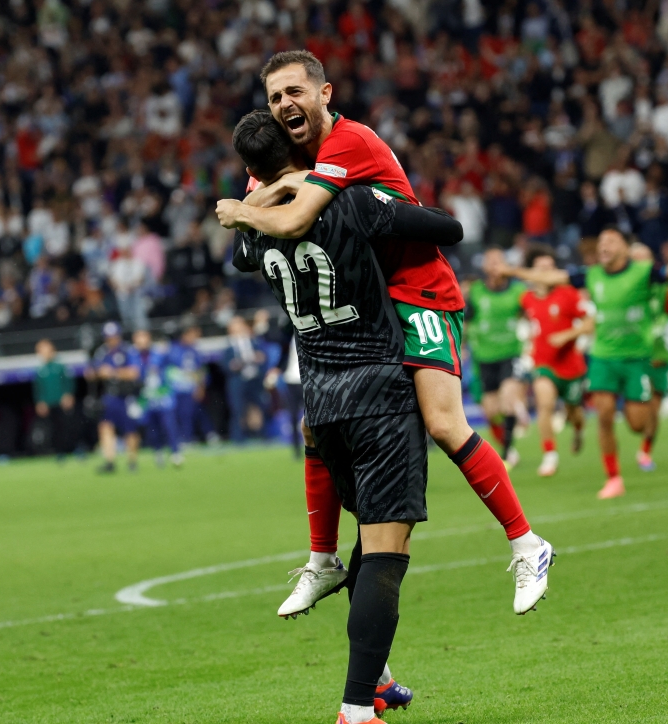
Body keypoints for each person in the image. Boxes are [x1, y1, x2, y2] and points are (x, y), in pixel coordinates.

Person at [216, 51, 553, 616]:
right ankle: (327, 569)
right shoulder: (280, 154)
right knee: (322, 436)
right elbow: (257, 221)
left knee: (444, 424)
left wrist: (246, 209)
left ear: (324, 94)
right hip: (361, 312)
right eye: (275, 97)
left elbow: (288, 220)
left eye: (295, 91)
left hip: (417, 292)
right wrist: (266, 196)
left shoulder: (350, 141)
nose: (285, 105)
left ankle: (527, 543)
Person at [229, 109, 463, 724]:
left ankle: (376, 680)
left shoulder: (253, 234)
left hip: (321, 404)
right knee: (387, 549)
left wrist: (258, 199)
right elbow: (447, 227)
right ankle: (357, 709)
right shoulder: (351, 204)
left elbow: (240, 257)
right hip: (379, 394)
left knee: (369, 541)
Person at [500, 226, 668, 499]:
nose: (604, 246)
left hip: (636, 359)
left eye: (611, 242)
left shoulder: (644, 272)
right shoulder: (591, 275)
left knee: (637, 423)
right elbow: (550, 276)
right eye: (601, 242)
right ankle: (613, 478)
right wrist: (512, 272)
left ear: (625, 248)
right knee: (603, 416)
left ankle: (643, 442)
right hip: (603, 357)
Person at [518, 245, 592, 476]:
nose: (547, 272)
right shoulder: (526, 299)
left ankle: (578, 430)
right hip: (543, 364)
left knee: (574, 414)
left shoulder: (568, 294)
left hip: (570, 366)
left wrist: (567, 335)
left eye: (551, 267)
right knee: (544, 404)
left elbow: (590, 323)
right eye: (542, 268)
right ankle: (550, 456)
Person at [465, 247, 526, 465]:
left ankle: (507, 453)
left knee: (508, 400)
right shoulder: (477, 292)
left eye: (499, 261)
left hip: (511, 353)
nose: (495, 266)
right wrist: (461, 346)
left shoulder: (518, 291)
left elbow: (530, 314)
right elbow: (467, 320)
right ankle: (506, 444)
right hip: (484, 356)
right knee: (491, 411)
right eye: (490, 261)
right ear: (484, 266)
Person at [629, 243, 668, 472]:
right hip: (631, 355)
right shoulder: (624, 288)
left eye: (646, 259)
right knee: (636, 418)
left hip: (659, 353)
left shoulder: (664, 288)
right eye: (636, 259)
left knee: (654, 407)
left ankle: (645, 451)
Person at [88, 322, 141, 473]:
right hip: (110, 395)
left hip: (127, 395)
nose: (111, 340)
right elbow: (93, 371)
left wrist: (113, 372)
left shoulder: (127, 350)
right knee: (105, 426)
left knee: (130, 429)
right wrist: (96, 373)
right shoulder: (102, 352)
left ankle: (132, 461)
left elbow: (134, 372)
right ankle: (110, 461)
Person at [128, 329, 182, 468]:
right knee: (152, 427)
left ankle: (175, 452)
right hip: (147, 397)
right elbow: (135, 374)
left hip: (162, 394)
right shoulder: (133, 355)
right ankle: (158, 452)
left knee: (169, 424)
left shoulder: (159, 352)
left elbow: (172, 363)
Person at [167, 321, 217, 446]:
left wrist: (201, 386)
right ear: (185, 335)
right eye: (192, 335)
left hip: (190, 388)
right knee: (183, 414)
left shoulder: (195, 351)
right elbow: (169, 371)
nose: (194, 338)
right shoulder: (174, 349)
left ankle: (189, 438)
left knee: (190, 413)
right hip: (176, 389)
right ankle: (194, 436)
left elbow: (201, 371)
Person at [221, 316, 268, 442]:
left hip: (255, 379)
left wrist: (259, 358)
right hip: (238, 380)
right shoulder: (228, 346)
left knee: (260, 406)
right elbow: (225, 365)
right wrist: (234, 365)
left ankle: (262, 436)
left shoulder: (254, 342)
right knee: (238, 409)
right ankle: (238, 438)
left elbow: (264, 357)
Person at [32, 339, 75, 458]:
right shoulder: (40, 370)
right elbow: (38, 388)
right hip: (49, 403)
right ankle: (58, 452)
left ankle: (73, 449)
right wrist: (40, 401)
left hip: (61, 402)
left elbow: (68, 382)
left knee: (66, 426)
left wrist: (68, 395)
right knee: (52, 428)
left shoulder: (60, 366)